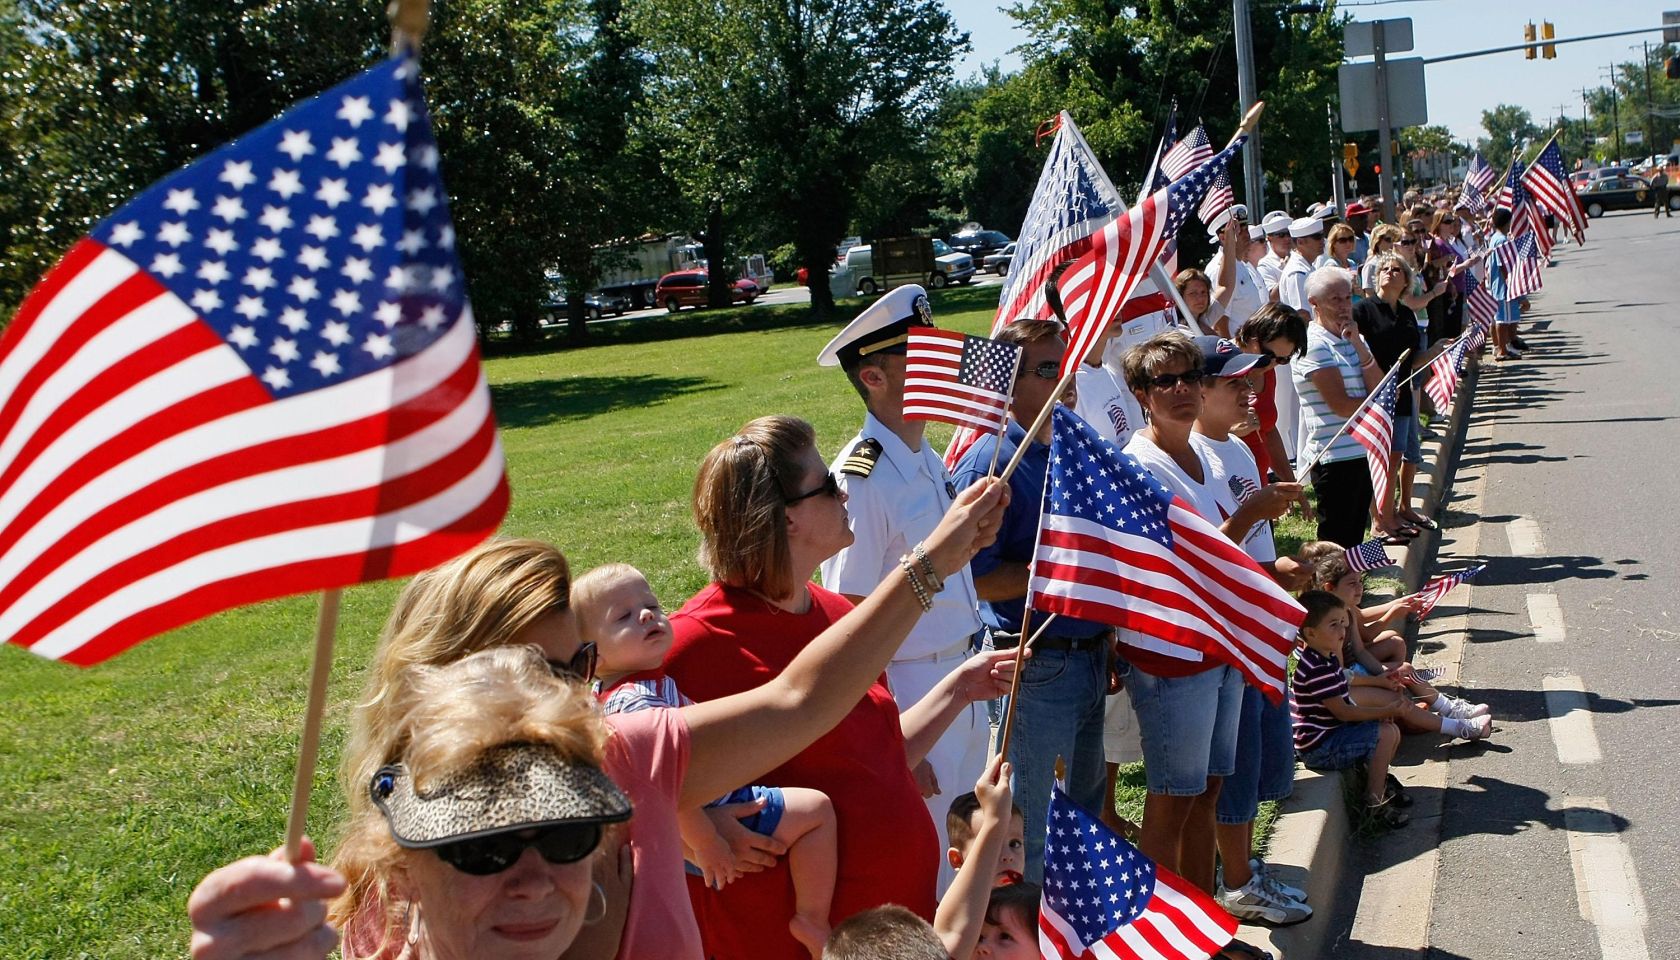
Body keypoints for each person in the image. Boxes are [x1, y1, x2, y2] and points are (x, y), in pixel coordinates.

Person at [665, 415, 1015, 960]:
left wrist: (959, 690)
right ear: (785, 520)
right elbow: (631, 779)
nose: (846, 487)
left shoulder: (832, 613)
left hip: (893, 930)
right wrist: (691, 824)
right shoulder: (690, 644)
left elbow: (876, 755)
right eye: (828, 484)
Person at [1115, 332, 1300, 906]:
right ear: (1141, 394)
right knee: (1172, 797)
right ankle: (1154, 929)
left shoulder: (1205, 454)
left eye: (1189, 378)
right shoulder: (1139, 464)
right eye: (1163, 381)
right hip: (1173, 652)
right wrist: (1250, 513)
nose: (1180, 390)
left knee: (1209, 791)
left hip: (1219, 645)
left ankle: (1201, 923)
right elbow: (1184, 564)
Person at [815, 285, 989, 888]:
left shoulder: (925, 457)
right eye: (921, 356)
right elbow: (849, 618)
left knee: (968, 848)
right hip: (911, 688)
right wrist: (889, 739)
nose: (942, 364)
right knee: (933, 861)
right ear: (874, 377)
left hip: (960, 676)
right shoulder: (861, 477)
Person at [573, 562, 838, 950]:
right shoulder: (634, 703)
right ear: (596, 658)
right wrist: (706, 841)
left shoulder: (624, 690)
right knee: (817, 811)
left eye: (652, 605)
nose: (647, 614)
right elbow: (665, 783)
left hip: (676, 828)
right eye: (624, 617)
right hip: (714, 812)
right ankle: (813, 919)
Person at [950, 319, 1112, 884]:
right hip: (1033, 663)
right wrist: (1058, 570)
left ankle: (1070, 931)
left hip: (1091, 653)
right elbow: (972, 577)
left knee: (1086, 812)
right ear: (1008, 384)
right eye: (1048, 369)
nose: (1064, 378)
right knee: (1028, 826)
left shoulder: (1069, 442)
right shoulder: (991, 466)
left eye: (1065, 363)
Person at [1176, 335, 1310, 925]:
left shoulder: (1233, 447)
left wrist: (1279, 565)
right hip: (1226, 633)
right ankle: (1233, 881)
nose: (1250, 391)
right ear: (1198, 392)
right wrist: (1257, 526)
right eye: (1234, 383)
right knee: (1228, 766)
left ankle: (1243, 868)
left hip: (1256, 623)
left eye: (1251, 379)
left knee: (1255, 756)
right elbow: (1206, 555)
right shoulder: (1195, 455)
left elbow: (1247, 548)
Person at [1302, 548, 1490, 725]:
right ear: (1329, 587)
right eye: (1352, 583)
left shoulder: (1347, 610)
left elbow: (1359, 650)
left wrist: (1384, 672)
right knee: (1401, 674)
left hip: (1354, 672)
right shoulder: (1330, 624)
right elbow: (1342, 674)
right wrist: (1379, 679)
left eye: (1360, 582)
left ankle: (1444, 709)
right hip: (1345, 686)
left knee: (1400, 662)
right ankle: (1447, 720)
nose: (1359, 588)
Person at [1292, 591, 1409, 827]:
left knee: (1390, 731)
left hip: (1334, 733)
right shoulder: (1316, 668)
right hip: (1321, 746)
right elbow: (1344, 712)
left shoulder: (1327, 657)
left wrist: (1382, 708)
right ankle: (1374, 805)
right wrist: (1384, 709)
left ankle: (1380, 785)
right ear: (1310, 633)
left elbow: (1346, 692)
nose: (1342, 630)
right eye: (1333, 625)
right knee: (1384, 734)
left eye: (1342, 623)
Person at [1293, 268, 1383, 547]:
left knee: (1355, 534)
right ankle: (1329, 589)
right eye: (1335, 299)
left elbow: (1378, 385)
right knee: (1336, 539)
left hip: (1359, 450)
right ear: (1314, 303)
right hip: (1334, 456)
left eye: (1347, 297)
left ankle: (1349, 587)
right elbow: (1341, 405)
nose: (1345, 306)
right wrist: (1378, 407)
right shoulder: (1315, 345)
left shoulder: (1352, 338)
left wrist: (1357, 343)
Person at [1353, 252, 1428, 544]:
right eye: (1385, 268)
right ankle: (1379, 520)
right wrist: (1377, 381)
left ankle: (1390, 513)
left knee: (1396, 456)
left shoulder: (1407, 313)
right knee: (1380, 459)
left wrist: (1434, 351)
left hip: (1403, 393)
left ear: (1406, 280)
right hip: (1377, 395)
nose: (1389, 272)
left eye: (1397, 269)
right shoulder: (1365, 311)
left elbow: (1414, 357)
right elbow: (1357, 350)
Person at [1232, 305, 1307, 485]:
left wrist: (1290, 482)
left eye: (1283, 359)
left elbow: (1269, 429)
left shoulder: (1266, 371)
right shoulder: (1220, 366)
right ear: (1252, 337)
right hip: (1227, 485)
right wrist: (1232, 431)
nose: (1272, 364)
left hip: (1258, 484)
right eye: (1268, 355)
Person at [1205, 206, 1267, 337]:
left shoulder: (1243, 264)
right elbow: (1219, 324)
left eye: (1246, 229)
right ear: (1223, 238)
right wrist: (1231, 355)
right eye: (1239, 231)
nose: (1246, 235)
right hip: (1238, 351)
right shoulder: (1219, 269)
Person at [945, 791, 1025, 885]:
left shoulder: (1039, 898)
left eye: (1014, 844)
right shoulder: (955, 900)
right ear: (957, 859)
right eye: (991, 846)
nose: (1007, 856)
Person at [1483, 208, 1523, 361]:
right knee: (1502, 320)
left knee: (1504, 318)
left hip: (1497, 285)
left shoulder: (1496, 237)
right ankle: (1502, 350)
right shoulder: (1501, 240)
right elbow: (1503, 265)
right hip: (1502, 286)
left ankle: (1503, 347)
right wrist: (1512, 283)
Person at [1255, 211, 1293, 293]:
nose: (1287, 239)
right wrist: (1288, 270)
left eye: (1288, 234)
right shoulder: (1264, 264)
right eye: (1281, 235)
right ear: (1269, 238)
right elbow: (1272, 297)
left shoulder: (1297, 256)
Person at [1345, 201, 1373, 265]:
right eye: (1361, 217)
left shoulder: (1370, 237)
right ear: (1348, 220)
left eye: (1365, 216)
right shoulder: (1344, 242)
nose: (1365, 220)